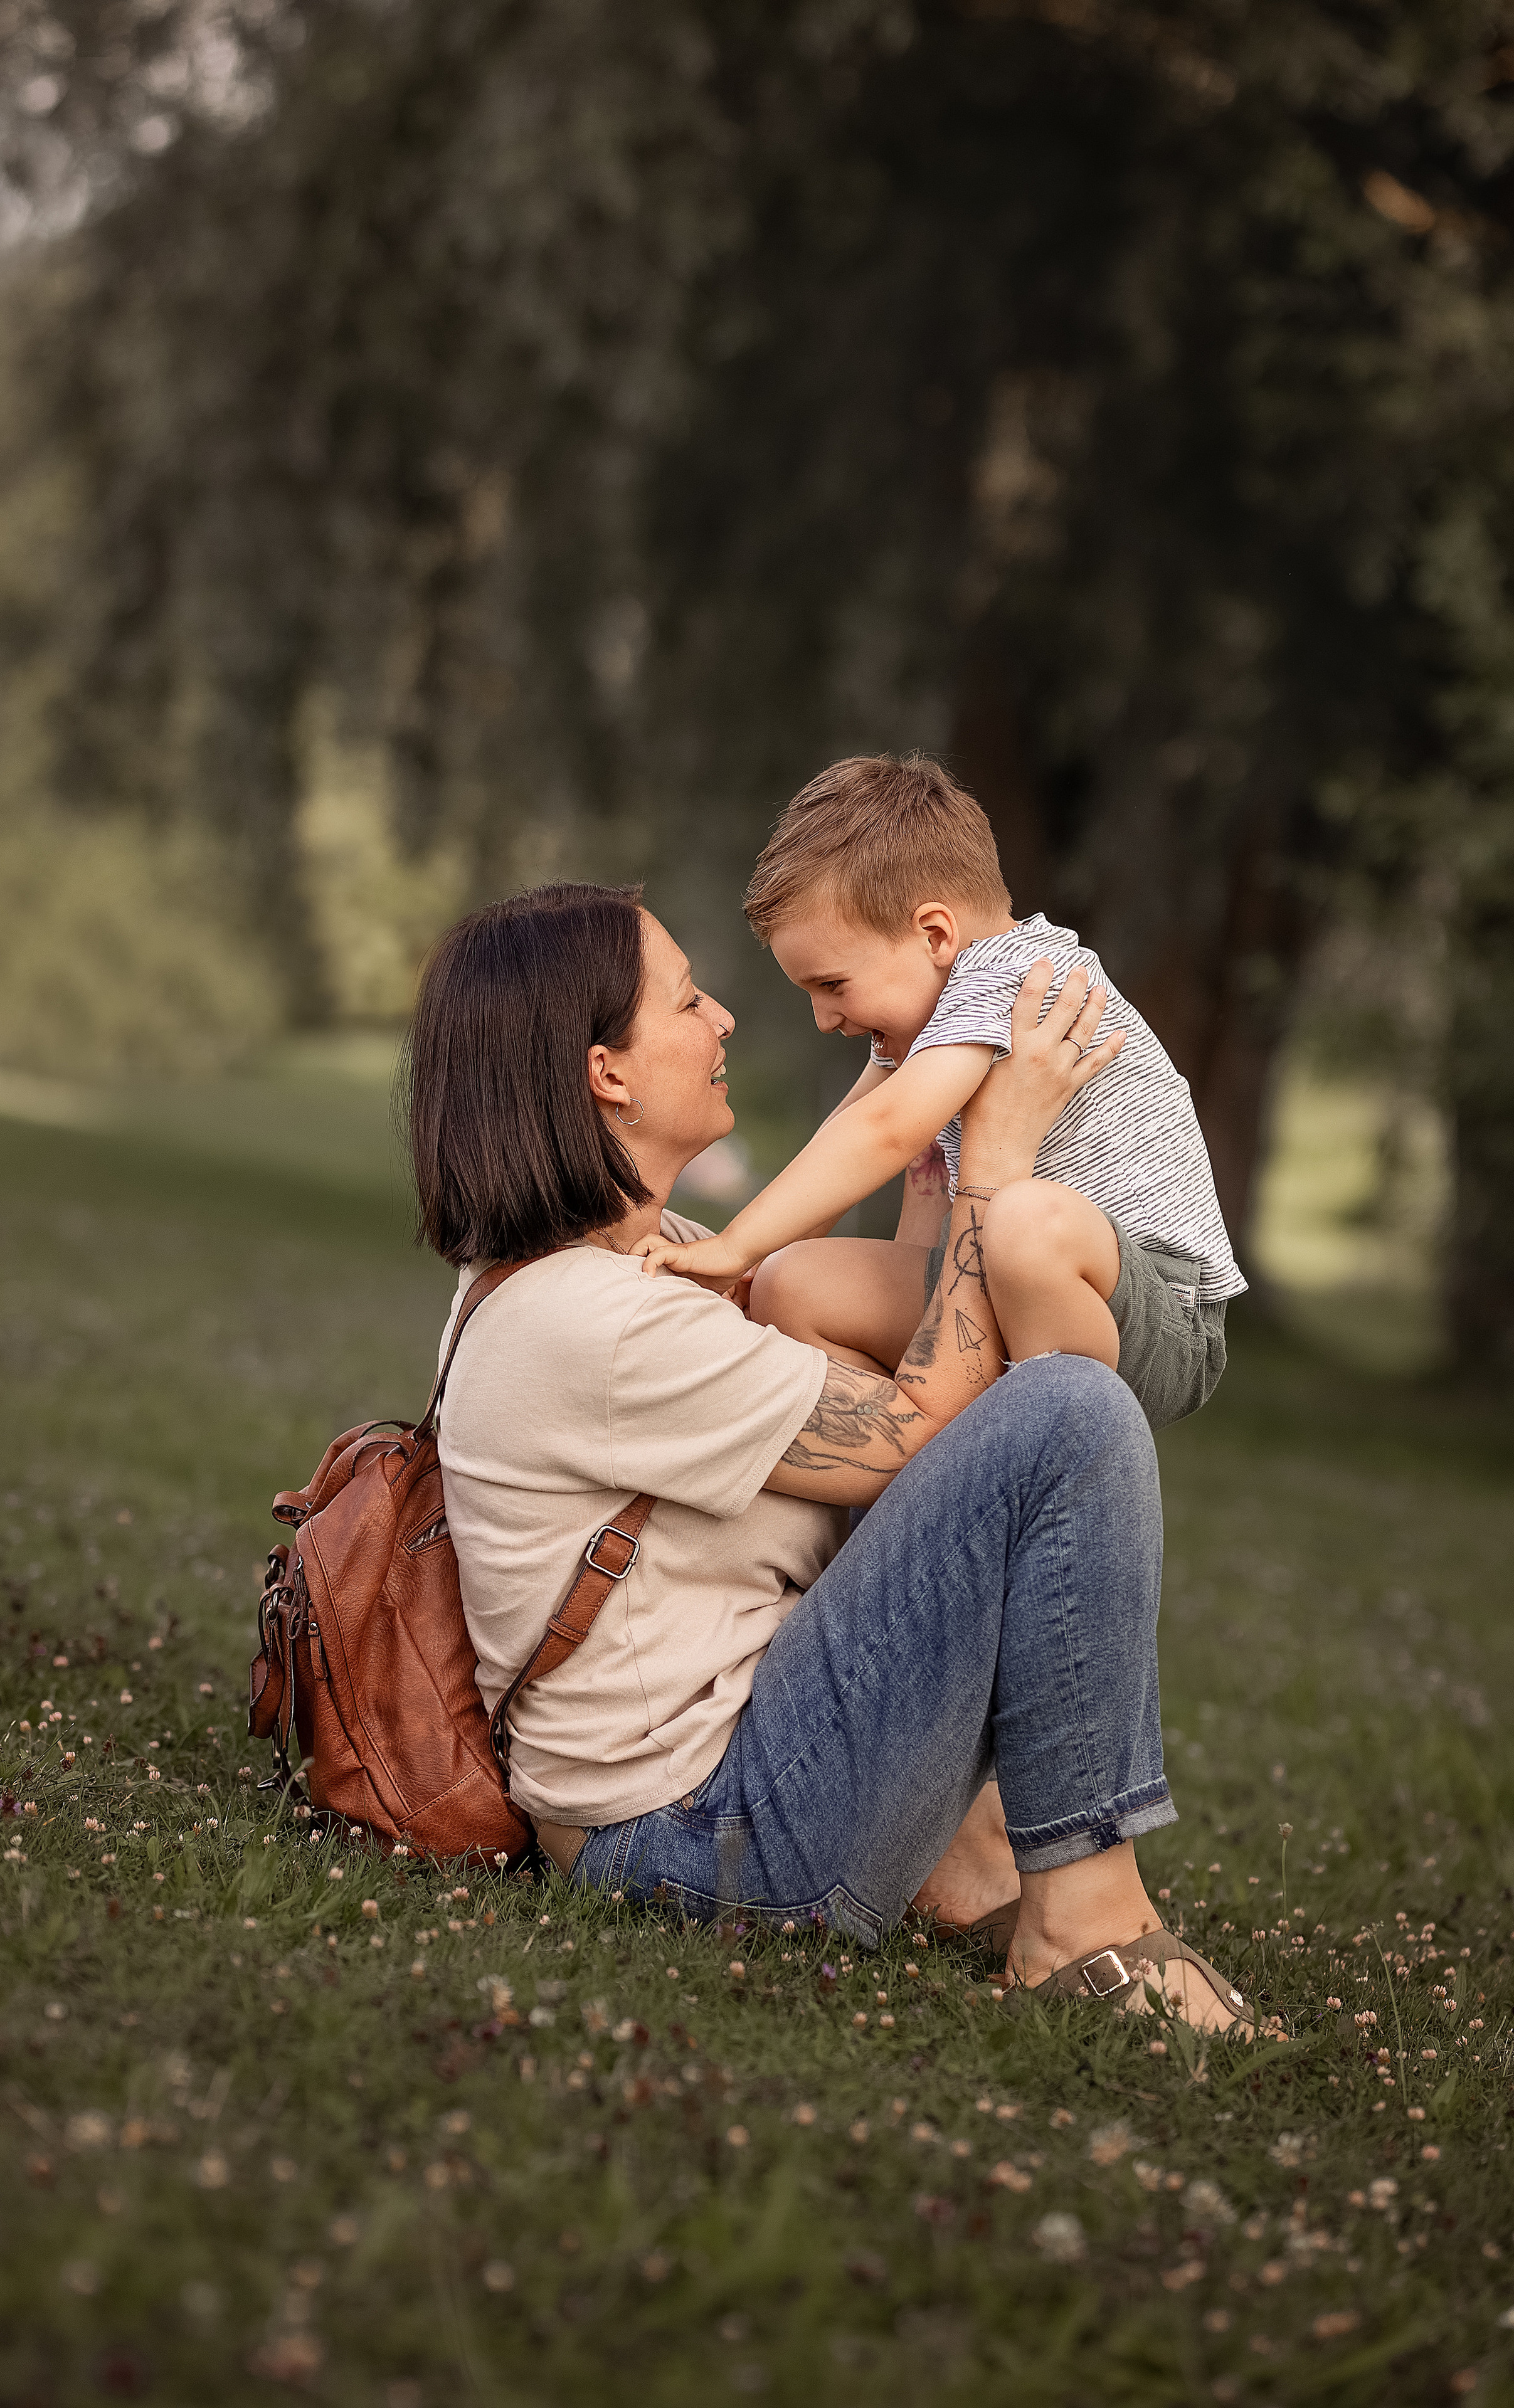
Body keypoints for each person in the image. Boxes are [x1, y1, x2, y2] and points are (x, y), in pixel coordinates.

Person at [407, 879, 1258, 2032]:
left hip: (722, 1792)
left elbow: (902, 1403)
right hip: (703, 1844)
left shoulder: (648, 1266)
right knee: (1072, 1411)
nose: (727, 1022)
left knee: (1033, 1403)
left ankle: (976, 1852)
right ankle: (1085, 1925)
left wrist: (929, 1189)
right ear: (606, 1072)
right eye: (689, 1000)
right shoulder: (592, 1325)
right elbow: (918, 1426)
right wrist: (996, 1166)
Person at [632, 754, 1247, 1431]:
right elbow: (847, 1133)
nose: (824, 1019)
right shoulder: (939, 1012)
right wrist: (748, 1268)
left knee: (1025, 1221)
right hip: (1005, 1278)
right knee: (792, 1285)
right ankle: (918, 1456)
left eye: (832, 985)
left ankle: (1050, 1440)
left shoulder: (1012, 975)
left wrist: (733, 1243)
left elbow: (886, 1131)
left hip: (1150, 1306)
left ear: (934, 935)